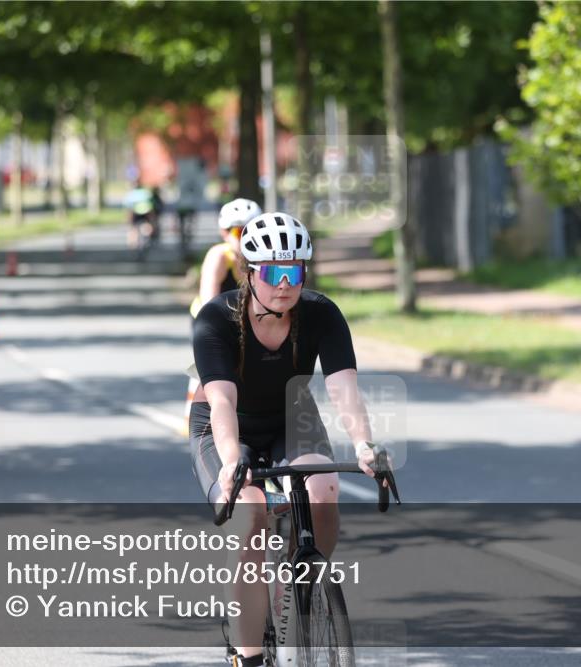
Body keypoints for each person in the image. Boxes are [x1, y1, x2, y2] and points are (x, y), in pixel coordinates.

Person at [190, 212, 381, 665]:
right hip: (226, 423)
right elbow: (220, 403)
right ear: (251, 273)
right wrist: (234, 460)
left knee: (324, 488)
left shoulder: (320, 313)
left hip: (291, 415)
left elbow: (343, 389)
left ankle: (306, 582)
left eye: (294, 271)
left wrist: (365, 444)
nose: (285, 283)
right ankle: (249, 654)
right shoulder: (216, 319)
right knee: (251, 514)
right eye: (274, 272)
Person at [183, 198, 262, 433]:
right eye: (237, 230)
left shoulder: (259, 259)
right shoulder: (220, 257)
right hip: (210, 317)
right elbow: (209, 302)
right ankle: (194, 414)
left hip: (242, 318)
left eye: (249, 230)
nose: (242, 237)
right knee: (208, 364)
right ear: (224, 232)